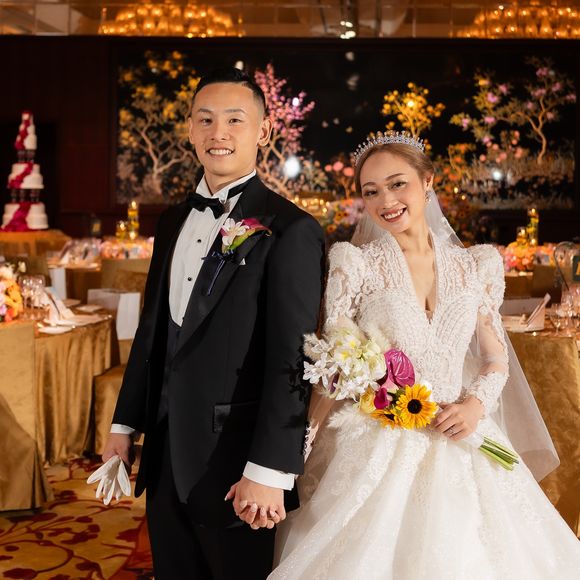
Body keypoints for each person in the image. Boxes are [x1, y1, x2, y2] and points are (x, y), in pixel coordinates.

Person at [270, 131, 580, 579]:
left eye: (398, 184)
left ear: (427, 182)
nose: (386, 201)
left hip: (462, 433)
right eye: (371, 191)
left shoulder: (477, 265)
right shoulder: (355, 263)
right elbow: (336, 367)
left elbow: (495, 359)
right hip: (379, 441)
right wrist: (291, 455)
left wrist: (475, 406)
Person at [102, 67, 325, 579]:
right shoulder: (171, 222)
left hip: (238, 465)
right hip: (164, 454)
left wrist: (271, 469)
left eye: (234, 120)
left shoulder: (291, 230)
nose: (217, 132)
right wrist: (124, 425)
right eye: (205, 119)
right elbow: (154, 332)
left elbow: (293, 360)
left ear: (263, 131)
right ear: (189, 130)